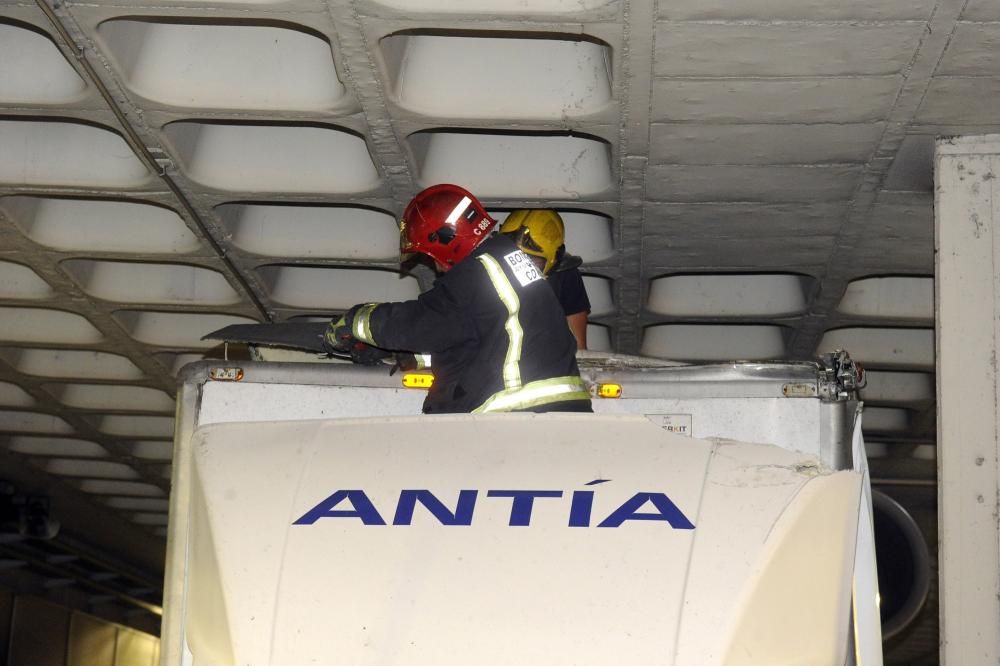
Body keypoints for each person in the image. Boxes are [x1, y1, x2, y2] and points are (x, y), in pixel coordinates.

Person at [324, 184, 592, 414]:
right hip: (558, 416)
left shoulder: (479, 270)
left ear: (447, 240)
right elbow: (482, 341)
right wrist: (407, 355)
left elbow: (422, 323)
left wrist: (357, 320)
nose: (438, 267)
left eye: (432, 256)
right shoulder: (510, 265)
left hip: (516, 416)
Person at [499, 209, 591, 350]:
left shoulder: (565, 276)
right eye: (516, 258)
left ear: (555, 258)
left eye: (533, 261)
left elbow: (579, 349)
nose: (523, 267)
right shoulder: (482, 273)